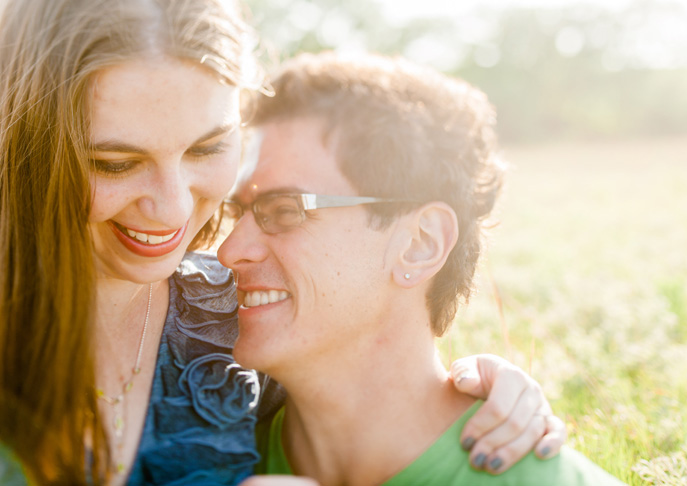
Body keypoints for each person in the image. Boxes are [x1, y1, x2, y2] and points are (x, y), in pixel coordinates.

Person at [0, 1, 565, 485]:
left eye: (206, 150)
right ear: (25, 146)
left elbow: (377, 381)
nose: (173, 208)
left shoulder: (238, 320)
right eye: (115, 163)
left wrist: (474, 403)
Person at [218, 52, 623, 485]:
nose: (229, 250)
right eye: (234, 211)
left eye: (284, 210)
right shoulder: (198, 454)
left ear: (419, 244)